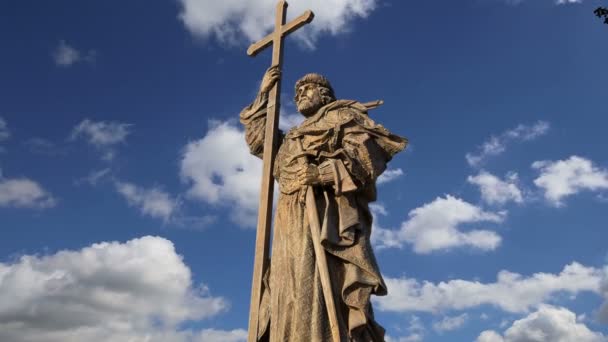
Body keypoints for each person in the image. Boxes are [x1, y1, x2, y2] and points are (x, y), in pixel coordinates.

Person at [240, 66, 407, 342]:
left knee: (317, 281)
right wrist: (264, 94)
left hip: (323, 215)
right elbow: (261, 142)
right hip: (287, 218)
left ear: (324, 94)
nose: (300, 95)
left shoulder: (342, 116)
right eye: (296, 92)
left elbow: (368, 156)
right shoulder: (293, 137)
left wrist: (323, 173)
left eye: (307, 89)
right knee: (286, 287)